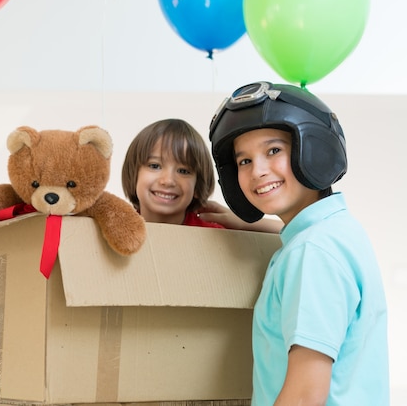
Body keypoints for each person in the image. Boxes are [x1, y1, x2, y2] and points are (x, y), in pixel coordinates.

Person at [209, 81, 389, 405]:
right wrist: (246, 223)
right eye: (244, 161)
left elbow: (306, 395)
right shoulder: (336, 232)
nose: (258, 172)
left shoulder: (311, 252)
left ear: (314, 149)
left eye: (273, 150)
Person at [121, 118, 281, 232]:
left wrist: (243, 223)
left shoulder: (211, 233)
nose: (168, 181)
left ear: (197, 186)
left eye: (183, 171)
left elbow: (291, 232)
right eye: (155, 166)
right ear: (134, 174)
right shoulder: (117, 226)